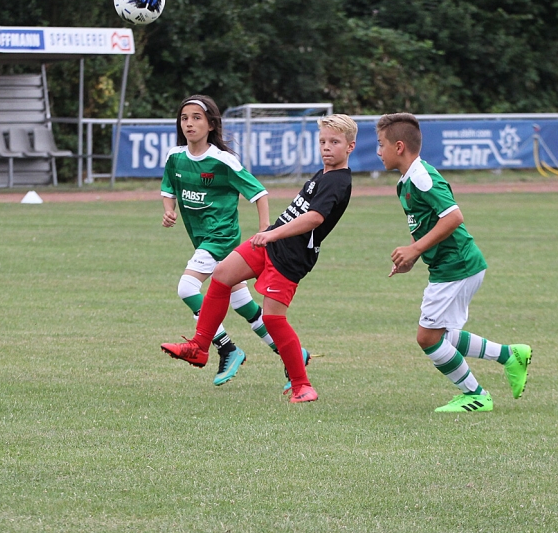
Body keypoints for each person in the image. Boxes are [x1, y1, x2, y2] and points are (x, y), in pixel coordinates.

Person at [161, 114, 358, 403]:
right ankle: (200, 346)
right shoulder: (324, 174)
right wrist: (271, 232)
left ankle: (303, 385)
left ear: (350, 147)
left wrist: (272, 234)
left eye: (334, 142)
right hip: (273, 243)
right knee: (223, 275)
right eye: (322, 141)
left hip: (291, 256)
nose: (326, 147)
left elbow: (315, 218)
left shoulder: (339, 182)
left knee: (273, 318)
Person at [376, 112, 532, 413]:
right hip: (452, 267)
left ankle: (476, 394)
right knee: (440, 335)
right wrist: (413, 255)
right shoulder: (404, 183)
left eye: (381, 145)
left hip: (457, 266)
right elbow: (427, 225)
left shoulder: (422, 176)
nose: (378, 152)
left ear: (398, 147)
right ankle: (510, 355)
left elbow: (454, 217)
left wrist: (415, 249)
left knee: (427, 338)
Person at [160, 95, 282, 385]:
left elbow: (259, 193)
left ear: (211, 124)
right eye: (184, 118)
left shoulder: (222, 160)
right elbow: (168, 188)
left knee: (187, 288)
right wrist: (169, 211)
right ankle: (293, 353)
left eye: (196, 118)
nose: (189, 123)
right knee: (243, 302)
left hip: (221, 237)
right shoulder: (175, 157)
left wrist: (264, 229)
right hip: (202, 237)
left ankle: (227, 348)